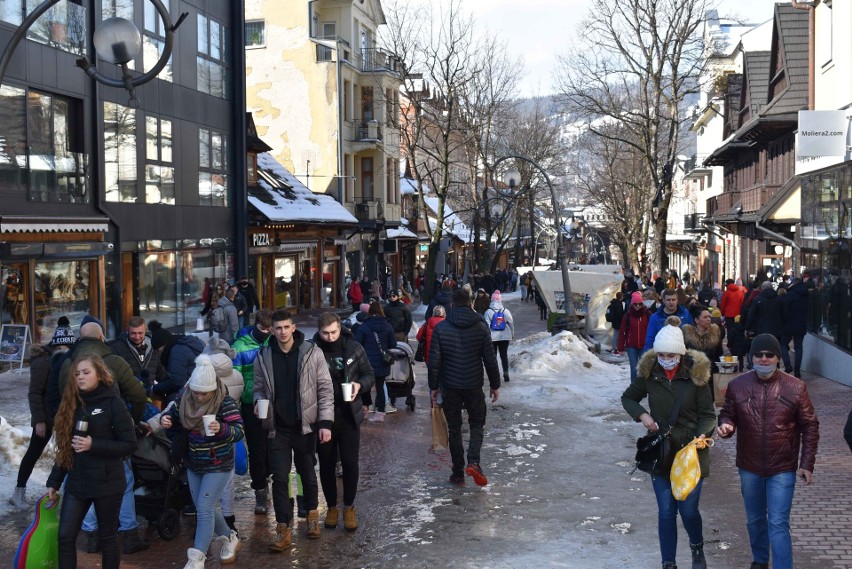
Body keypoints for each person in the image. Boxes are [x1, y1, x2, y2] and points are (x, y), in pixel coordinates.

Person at [717, 334, 820, 569]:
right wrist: (726, 426)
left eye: (769, 355)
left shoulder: (795, 387)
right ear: (752, 357)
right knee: (754, 520)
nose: (764, 359)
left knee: (778, 522)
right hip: (749, 465)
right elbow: (728, 414)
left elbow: (810, 425)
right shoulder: (737, 385)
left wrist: (807, 463)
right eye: (759, 354)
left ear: (778, 357)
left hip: (782, 468)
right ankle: (760, 561)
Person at [621, 317, 715, 569]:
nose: (666, 359)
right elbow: (628, 398)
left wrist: (703, 435)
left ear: (681, 354)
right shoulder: (650, 374)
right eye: (661, 354)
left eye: (671, 354)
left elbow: (708, 413)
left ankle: (697, 549)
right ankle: (668, 563)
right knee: (666, 511)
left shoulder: (696, 377)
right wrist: (642, 414)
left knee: (688, 511)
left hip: (691, 452)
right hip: (662, 452)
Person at [253, 309, 334, 550]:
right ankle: (283, 527)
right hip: (277, 428)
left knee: (307, 473)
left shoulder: (311, 353)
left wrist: (326, 423)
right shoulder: (264, 354)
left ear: (294, 327)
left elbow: (325, 390)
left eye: (286, 327)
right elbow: (258, 387)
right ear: (272, 330)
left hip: (305, 426)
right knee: (279, 477)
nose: (282, 332)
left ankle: (311, 516)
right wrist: (259, 403)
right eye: (277, 328)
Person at [47, 355, 137, 569]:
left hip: (108, 482)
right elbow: (66, 449)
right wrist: (54, 481)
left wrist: (93, 444)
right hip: (78, 483)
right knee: (65, 536)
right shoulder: (71, 402)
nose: (80, 377)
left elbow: (129, 444)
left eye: (86, 372)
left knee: (107, 538)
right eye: (77, 373)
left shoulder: (113, 402)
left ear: (99, 374)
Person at [160, 356, 244, 568]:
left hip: (218, 464)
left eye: (203, 393)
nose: (199, 396)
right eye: (196, 392)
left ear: (213, 389)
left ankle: (196, 558)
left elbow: (239, 431)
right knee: (202, 506)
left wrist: (221, 429)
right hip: (193, 462)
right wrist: (166, 420)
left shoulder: (224, 401)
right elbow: (172, 416)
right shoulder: (184, 396)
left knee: (204, 508)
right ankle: (230, 537)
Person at [428, 288, 500, 486]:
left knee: (454, 428)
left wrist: (434, 386)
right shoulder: (480, 326)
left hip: (450, 385)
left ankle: (458, 472)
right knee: (477, 424)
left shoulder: (442, 328)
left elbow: (435, 361)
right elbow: (490, 360)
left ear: (452, 305)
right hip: (474, 385)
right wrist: (495, 385)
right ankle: (474, 462)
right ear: (471, 304)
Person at [313, 312, 374, 532]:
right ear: (319, 332)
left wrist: (360, 386)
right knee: (327, 464)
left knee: (350, 463)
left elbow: (369, 373)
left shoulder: (354, 347)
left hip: (349, 415)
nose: (330, 337)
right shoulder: (312, 350)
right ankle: (331, 507)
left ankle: (349, 507)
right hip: (322, 417)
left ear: (340, 328)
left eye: (334, 332)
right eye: (325, 333)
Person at [9, 332, 71, 510]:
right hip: (45, 418)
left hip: (62, 416)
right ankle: (18, 492)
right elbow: (34, 393)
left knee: (65, 453)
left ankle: (64, 491)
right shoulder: (43, 362)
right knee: (34, 453)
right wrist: (39, 421)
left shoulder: (65, 357)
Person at [231, 309, 273, 515]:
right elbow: (234, 379)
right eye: (262, 328)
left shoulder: (274, 342)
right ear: (255, 325)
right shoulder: (239, 347)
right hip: (251, 404)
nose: (266, 332)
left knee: (273, 447)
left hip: (274, 404)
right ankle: (260, 490)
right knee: (256, 448)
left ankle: (269, 476)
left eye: (269, 329)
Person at [354, 300, 397, 421]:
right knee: (380, 387)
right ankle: (380, 413)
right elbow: (393, 343)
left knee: (365, 387)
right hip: (382, 362)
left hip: (366, 363)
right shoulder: (387, 325)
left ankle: (365, 410)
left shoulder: (364, 326)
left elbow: (357, 344)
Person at [108, 316, 167, 396]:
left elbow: (161, 373)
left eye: (140, 333)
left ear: (145, 331)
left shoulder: (154, 347)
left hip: (149, 397)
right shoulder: (116, 348)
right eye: (133, 333)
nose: (137, 337)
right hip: (127, 398)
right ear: (127, 331)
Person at [149, 321, 205, 404]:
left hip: (188, 394)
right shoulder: (179, 346)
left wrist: (154, 389)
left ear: (163, 344)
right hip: (194, 389)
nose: (158, 352)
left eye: (158, 349)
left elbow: (176, 381)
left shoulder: (177, 351)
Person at [682, 305, 726, 378]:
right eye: (705, 317)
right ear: (696, 320)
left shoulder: (715, 332)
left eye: (709, 316)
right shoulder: (687, 334)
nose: (709, 319)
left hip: (712, 373)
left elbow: (719, 353)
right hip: (693, 373)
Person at [618, 292, 651, 383]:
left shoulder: (647, 314)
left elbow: (653, 329)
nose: (637, 306)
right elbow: (622, 331)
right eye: (635, 304)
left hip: (644, 345)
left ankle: (643, 387)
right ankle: (634, 388)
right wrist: (620, 347)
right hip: (631, 346)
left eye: (640, 304)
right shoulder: (627, 315)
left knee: (643, 368)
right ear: (632, 304)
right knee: (634, 368)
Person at [483, 290, 514, 382]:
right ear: (500, 300)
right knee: (504, 355)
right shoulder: (505, 311)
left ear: (492, 300)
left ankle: (495, 375)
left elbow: (486, 326)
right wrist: (512, 334)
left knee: (493, 356)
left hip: (492, 337)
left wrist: (486, 337)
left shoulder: (488, 312)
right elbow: (511, 323)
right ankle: (506, 372)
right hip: (505, 336)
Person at [781, 278, 808, 377]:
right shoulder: (806, 294)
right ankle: (797, 371)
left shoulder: (791, 294)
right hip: (801, 324)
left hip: (789, 324)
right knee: (799, 347)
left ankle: (788, 365)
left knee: (782, 344)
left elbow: (785, 308)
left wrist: (785, 320)